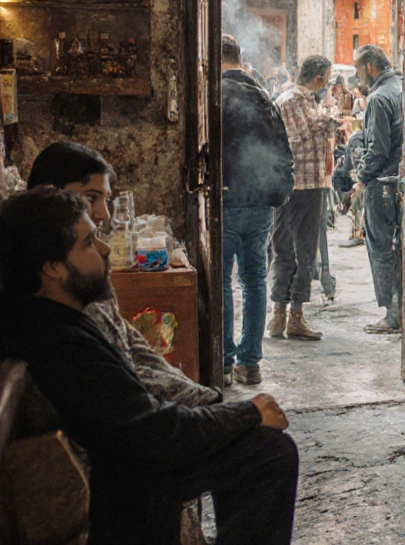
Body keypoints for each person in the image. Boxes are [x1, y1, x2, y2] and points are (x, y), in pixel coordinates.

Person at [0, 187, 299, 545]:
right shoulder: (57, 339)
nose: (105, 248)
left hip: (128, 457)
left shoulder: (57, 318)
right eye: (88, 243)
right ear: (52, 268)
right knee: (269, 452)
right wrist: (248, 412)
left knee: (257, 443)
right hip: (123, 487)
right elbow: (154, 434)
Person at [26, 142, 219, 406]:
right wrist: (207, 405)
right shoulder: (60, 281)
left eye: (105, 199)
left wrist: (199, 395)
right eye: (90, 198)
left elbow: (128, 344)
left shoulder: (85, 269)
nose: (104, 213)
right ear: (51, 197)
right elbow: (122, 373)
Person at [221, 34, 294, 385]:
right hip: (261, 204)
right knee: (254, 281)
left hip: (226, 201)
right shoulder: (265, 97)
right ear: (240, 57)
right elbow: (283, 151)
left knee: (222, 282)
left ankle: (222, 362)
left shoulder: (215, 95)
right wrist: (277, 195)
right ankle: (250, 364)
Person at [268, 54, 337, 343]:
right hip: (297, 185)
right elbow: (296, 139)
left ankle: (293, 314)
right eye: (328, 79)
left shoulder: (306, 101)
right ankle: (281, 313)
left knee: (304, 250)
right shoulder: (291, 99)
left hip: (311, 184)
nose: (328, 84)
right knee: (288, 249)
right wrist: (327, 122)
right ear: (319, 78)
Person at [352, 45, 404, 334]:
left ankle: (392, 315)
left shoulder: (378, 98)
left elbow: (377, 149)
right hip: (403, 183)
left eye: (358, 69)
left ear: (370, 67)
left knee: (382, 250)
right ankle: (403, 309)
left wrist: (360, 178)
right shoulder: (404, 89)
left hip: (381, 185)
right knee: (402, 250)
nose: (358, 75)